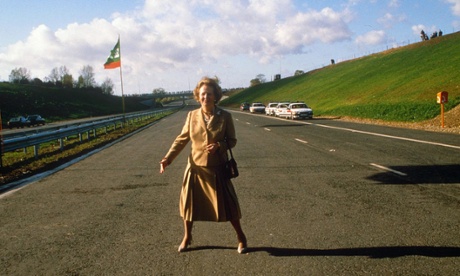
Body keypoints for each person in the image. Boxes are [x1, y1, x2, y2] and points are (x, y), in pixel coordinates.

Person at [159, 77, 247, 254]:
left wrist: (220, 146)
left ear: (215, 96)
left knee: (229, 205)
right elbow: (182, 139)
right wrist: (167, 158)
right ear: (198, 97)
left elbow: (232, 140)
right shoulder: (192, 116)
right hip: (195, 168)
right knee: (188, 205)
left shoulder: (225, 117)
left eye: (209, 94)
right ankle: (187, 236)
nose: (205, 97)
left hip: (217, 168)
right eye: (202, 94)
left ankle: (241, 237)